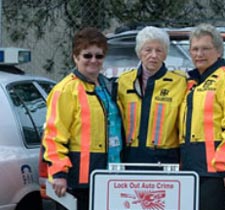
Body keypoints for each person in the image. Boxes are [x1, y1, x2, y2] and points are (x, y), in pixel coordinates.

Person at [42, 27, 123, 210]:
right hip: (77, 180)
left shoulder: (107, 87)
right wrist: (59, 173)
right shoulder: (65, 90)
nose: (93, 61)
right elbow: (53, 136)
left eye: (99, 56)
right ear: (75, 57)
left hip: (109, 175)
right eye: (87, 56)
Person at [116, 26, 186, 165]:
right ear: (139, 53)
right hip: (130, 156)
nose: (153, 55)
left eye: (159, 50)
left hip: (166, 158)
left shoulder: (179, 83)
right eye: (148, 50)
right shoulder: (123, 81)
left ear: (165, 54)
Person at [179, 23, 225, 210]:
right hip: (191, 169)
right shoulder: (192, 84)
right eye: (195, 49)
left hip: (215, 172)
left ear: (218, 51)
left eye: (205, 49)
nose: (199, 54)